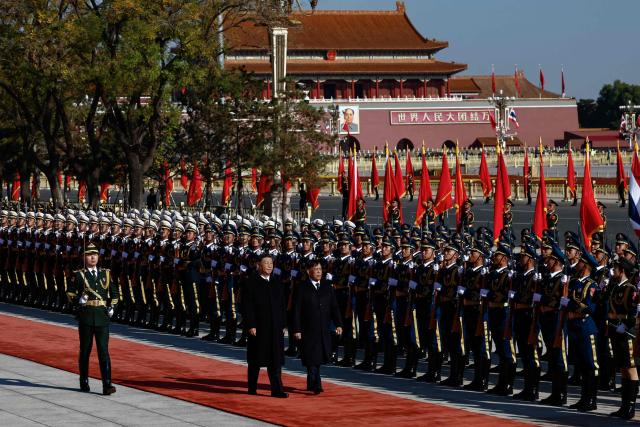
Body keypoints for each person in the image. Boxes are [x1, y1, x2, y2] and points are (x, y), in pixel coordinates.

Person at [65, 243, 119, 395]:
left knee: (104, 351)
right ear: (84, 257)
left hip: (102, 316)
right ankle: (84, 381)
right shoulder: (79, 274)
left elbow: (115, 293)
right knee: (85, 351)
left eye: (95, 254)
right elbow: (69, 293)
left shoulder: (105, 273)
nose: (93, 257)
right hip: (87, 315)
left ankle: (107, 384)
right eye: (89, 255)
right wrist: (79, 301)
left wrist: (112, 308)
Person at [293, 259, 343, 394]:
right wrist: (296, 329)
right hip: (307, 328)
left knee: (319, 355)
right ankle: (316, 382)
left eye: (320, 269)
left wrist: (338, 323)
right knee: (311, 355)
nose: (319, 272)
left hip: (323, 327)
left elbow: (334, 307)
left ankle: (312, 379)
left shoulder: (327, 286)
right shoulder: (302, 287)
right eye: (316, 269)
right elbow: (296, 310)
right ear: (309, 271)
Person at [244, 254, 288, 398]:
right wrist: (251, 325)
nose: (269, 266)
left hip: (275, 328)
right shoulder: (252, 282)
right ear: (259, 265)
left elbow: (282, 305)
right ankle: (252, 387)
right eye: (266, 263)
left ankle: (277, 389)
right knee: (256, 359)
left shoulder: (276, 282)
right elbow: (247, 306)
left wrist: (283, 324)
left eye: (271, 263)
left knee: (275, 360)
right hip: (259, 328)